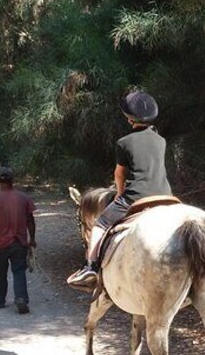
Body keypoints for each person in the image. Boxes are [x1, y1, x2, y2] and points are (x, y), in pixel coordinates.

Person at [67, 90, 172, 286]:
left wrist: (120, 193)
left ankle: (90, 267)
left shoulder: (124, 142)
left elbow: (119, 174)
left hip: (136, 196)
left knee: (100, 224)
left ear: (128, 118)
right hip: (166, 195)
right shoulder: (161, 141)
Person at [0, 165, 36, 314]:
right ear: (13, 180)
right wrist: (32, 239)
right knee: (19, 271)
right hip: (19, 243)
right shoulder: (23, 198)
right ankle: (21, 298)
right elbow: (31, 220)